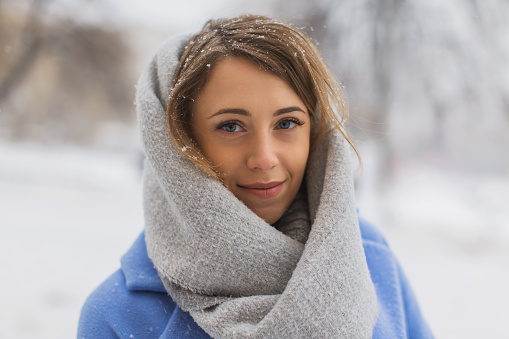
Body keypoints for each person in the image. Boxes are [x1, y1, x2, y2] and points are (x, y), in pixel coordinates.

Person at [78, 15, 434, 338]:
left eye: (287, 123)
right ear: (180, 142)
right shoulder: (118, 315)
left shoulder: (370, 256)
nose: (264, 158)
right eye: (231, 126)